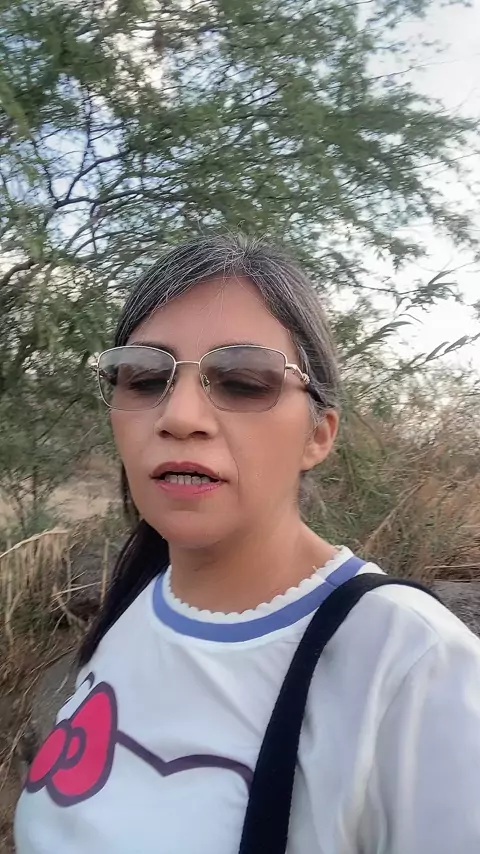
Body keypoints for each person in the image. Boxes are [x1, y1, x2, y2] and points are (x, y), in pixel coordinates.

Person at [15, 234, 480, 854]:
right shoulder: (134, 605)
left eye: (242, 381)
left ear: (319, 434)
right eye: (144, 377)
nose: (179, 416)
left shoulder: (410, 663)